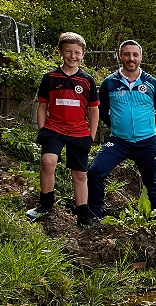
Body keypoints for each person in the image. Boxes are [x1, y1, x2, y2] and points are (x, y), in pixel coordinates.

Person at [87, 40, 156, 221]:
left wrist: (148, 126)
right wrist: (115, 124)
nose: (131, 58)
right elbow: (102, 109)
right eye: (127, 54)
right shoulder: (109, 83)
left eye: (135, 55)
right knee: (95, 172)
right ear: (120, 56)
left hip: (147, 142)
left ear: (140, 57)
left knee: (151, 184)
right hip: (118, 141)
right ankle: (95, 216)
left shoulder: (152, 83)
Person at [26, 32, 100, 227]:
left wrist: (91, 136)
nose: (72, 56)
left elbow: (94, 110)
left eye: (77, 52)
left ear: (83, 54)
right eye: (68, 51)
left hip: (78, 132)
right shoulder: (50, 77)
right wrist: (42, 129)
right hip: (54, 129)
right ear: (60, 51)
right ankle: (45, 204)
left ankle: (83, 212)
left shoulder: (87, 81)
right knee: (48, 162)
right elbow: (42, 105)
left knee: (80, 174)